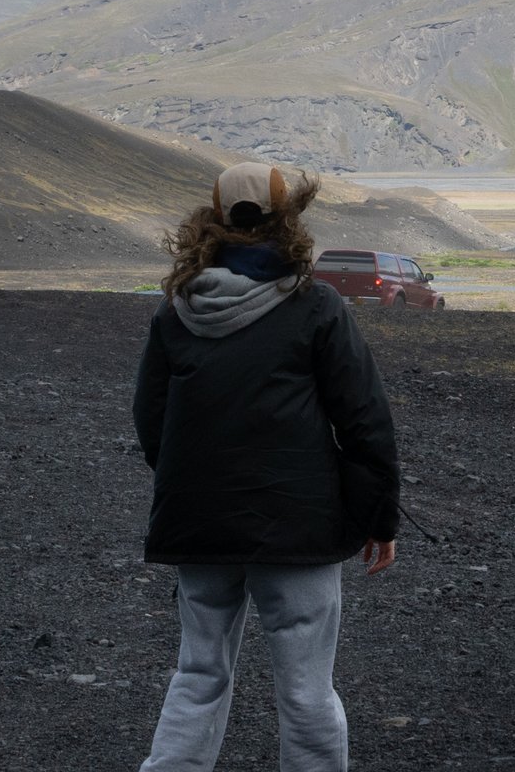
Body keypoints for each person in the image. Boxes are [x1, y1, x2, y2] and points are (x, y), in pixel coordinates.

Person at [134, 162, 400, 772]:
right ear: (289, 217)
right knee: (306, 691)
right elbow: (363, 421)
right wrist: (378, 519)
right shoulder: (315, 305)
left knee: (197, 673)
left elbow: (152, 422)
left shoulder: (178, 307)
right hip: (298, 527)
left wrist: (194, 488)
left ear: (216, 216)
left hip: (199, 524)